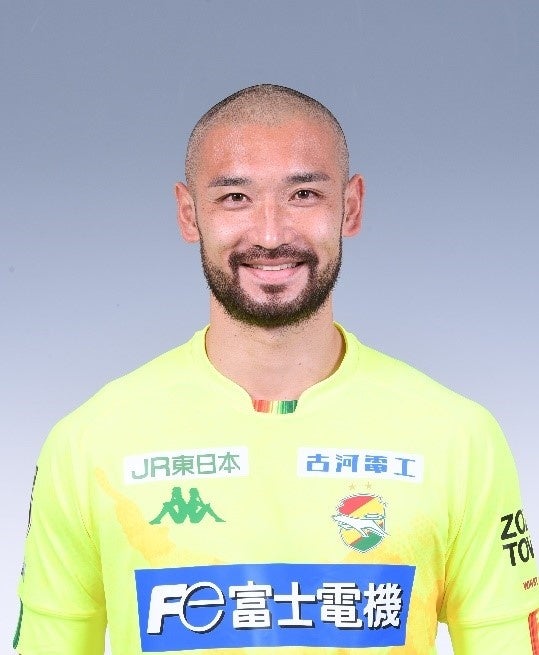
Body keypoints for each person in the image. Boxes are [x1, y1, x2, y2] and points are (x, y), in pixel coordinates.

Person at [14, 84, 539, 654]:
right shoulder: (88, 442)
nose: (270, 234)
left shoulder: (458, 438)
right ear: (189, 214)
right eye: (235, 197)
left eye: (304, 194)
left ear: (351, 206)